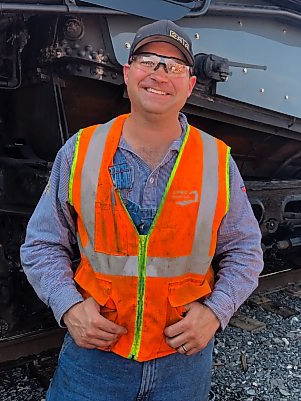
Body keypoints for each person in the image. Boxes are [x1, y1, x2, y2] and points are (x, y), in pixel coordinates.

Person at [20, 19, 263, 401]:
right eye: (148, 61)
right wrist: (68, 307)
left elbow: (246, 250)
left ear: (190, 85)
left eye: (175, 66)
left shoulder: (216, 161)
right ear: (128, 72)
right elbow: (41, 244)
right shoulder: (81, 151)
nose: (160, 74)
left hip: (182, 360)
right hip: (96, 357)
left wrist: (217, 311)